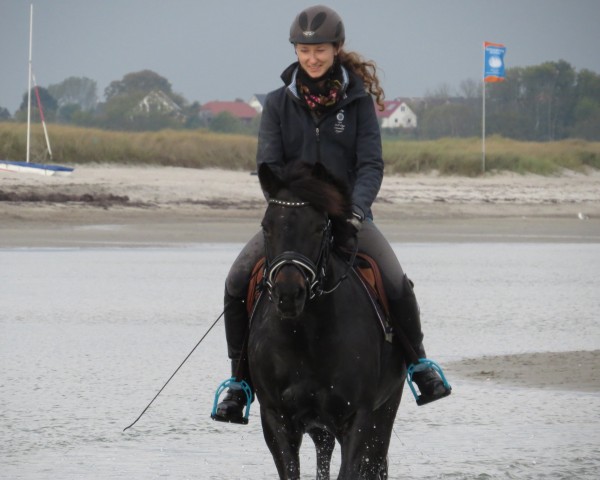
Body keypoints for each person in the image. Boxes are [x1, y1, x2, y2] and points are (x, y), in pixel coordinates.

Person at [213, 4, 450, 424]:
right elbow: (269, 163)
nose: (312, 58)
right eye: (304, 50)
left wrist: (355, 212)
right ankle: (239, 382)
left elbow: (371, 165)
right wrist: (296, 205)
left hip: (351, 218)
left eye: (320, 49)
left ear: (336, 49)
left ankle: (419, 365)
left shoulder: (357, 103)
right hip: (292, 221)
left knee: (396, 282)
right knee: (235, 282)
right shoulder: (276, 104)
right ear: (296, 52)